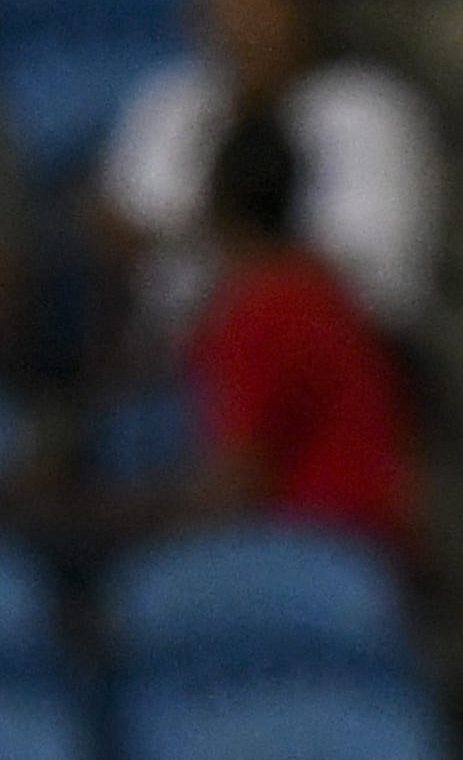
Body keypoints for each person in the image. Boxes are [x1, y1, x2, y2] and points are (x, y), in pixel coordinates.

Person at [96, 0, 444, 359]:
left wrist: (198, 243)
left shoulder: (370, 111)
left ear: (304, 1)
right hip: (183, 362)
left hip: (331, 362)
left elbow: (376, 271)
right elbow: (119, 230)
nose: (238, 20)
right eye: (224, 1)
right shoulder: (171, 105)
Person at [89, 110, 418, 560]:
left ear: (214, 204)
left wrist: (111, 519)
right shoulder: (324, 286)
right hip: (366, 538)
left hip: (320, 541)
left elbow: (239, 480)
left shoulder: (259, 306)